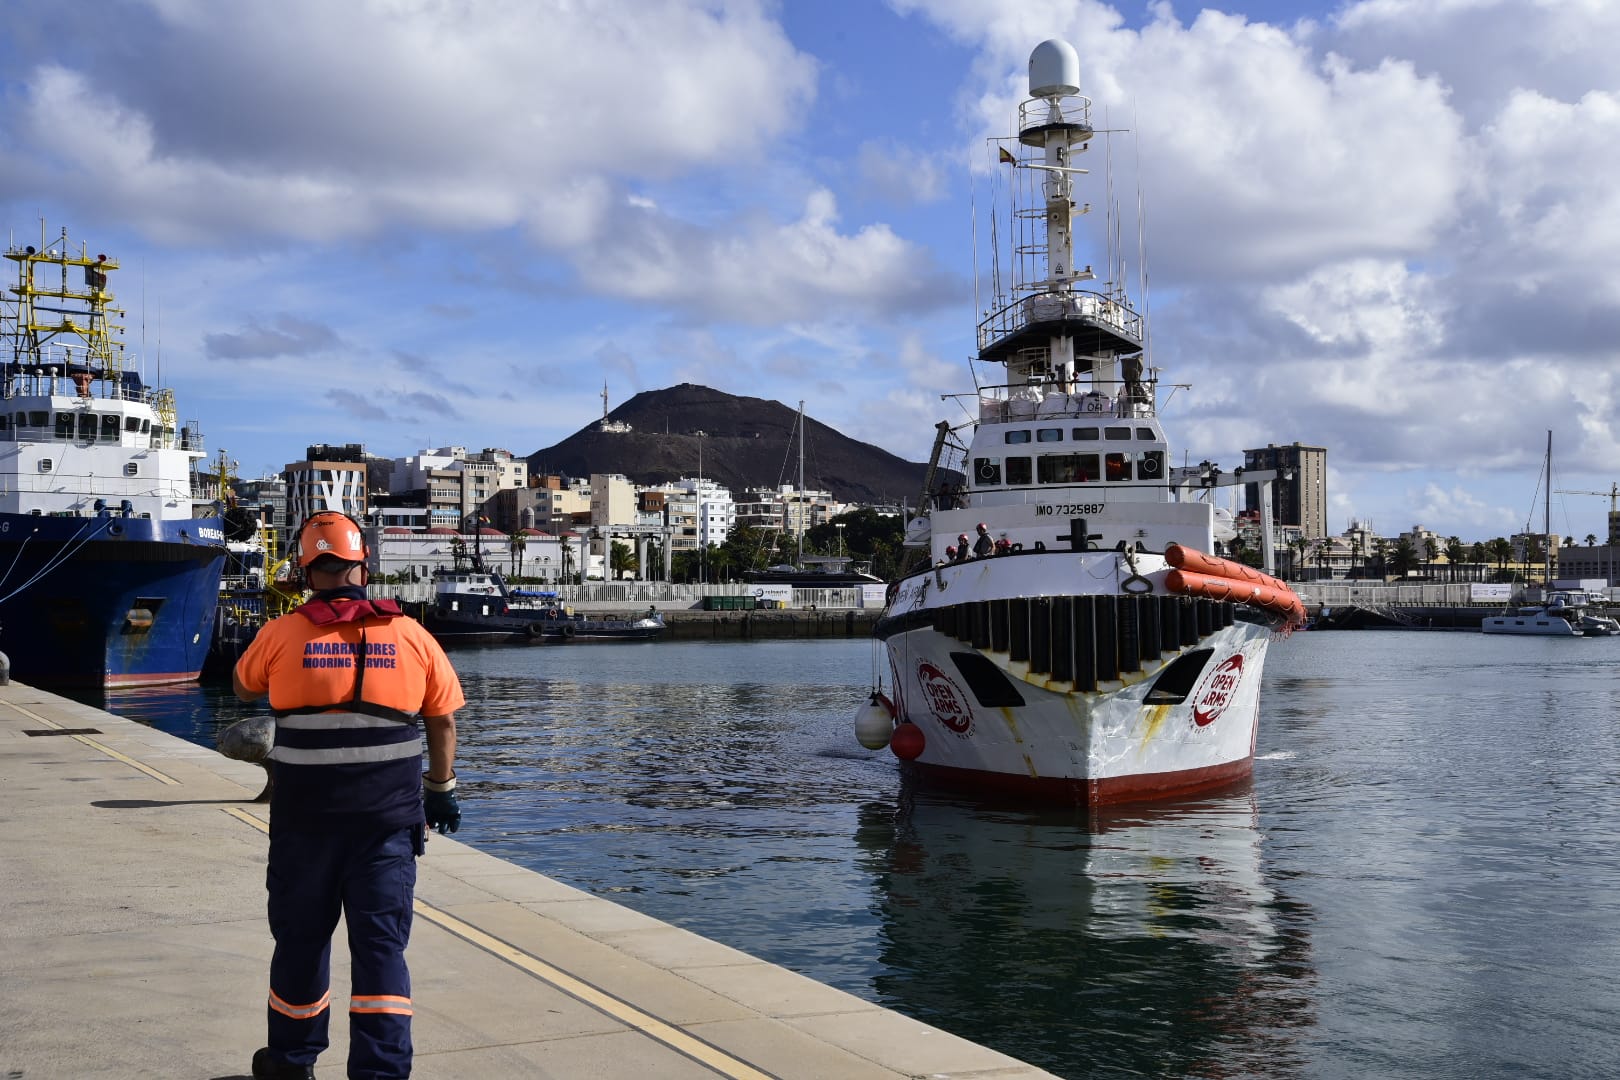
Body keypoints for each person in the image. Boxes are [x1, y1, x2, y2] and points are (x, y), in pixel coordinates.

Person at [234, 510, 466, 1080]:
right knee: (381, 949)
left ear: (308, 571)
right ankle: (381, 1072)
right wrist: (441, 791)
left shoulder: (283, 633)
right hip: (386, 828)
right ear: (364, 566)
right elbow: (443, 723)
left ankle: (291, 1062)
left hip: (304, 826)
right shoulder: (411, 635)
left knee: (301, 943)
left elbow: (243, 687)